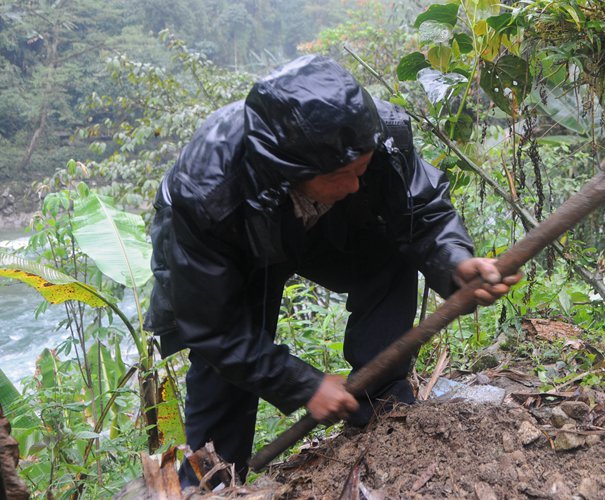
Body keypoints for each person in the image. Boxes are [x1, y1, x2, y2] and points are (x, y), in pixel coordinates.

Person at [144, 55, 518, 486]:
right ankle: (213, 484)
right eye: (343, 174)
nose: (358, 184)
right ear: (292, 171)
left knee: (389, 253)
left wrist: (455, 261)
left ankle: (382, 405)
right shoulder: (207, 193)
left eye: (363, 168)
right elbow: (213, 327)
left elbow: (421, 211)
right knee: (223, 374)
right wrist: (305, 384)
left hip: (326, 226)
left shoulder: (374, 138)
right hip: (238, 245)